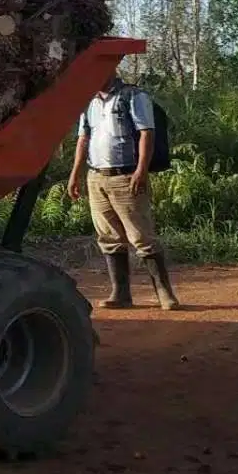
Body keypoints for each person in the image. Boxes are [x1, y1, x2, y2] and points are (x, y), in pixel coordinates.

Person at [68, 72, 180, 311]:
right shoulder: (89, 102)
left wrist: (141, 170)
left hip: (126, 176)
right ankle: (121, 294)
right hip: (97, 176)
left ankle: (164, 294)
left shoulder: (133, 96)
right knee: (109, 237)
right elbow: (83, 139)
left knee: (141, 237)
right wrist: (75, 174)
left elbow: (146, 133)